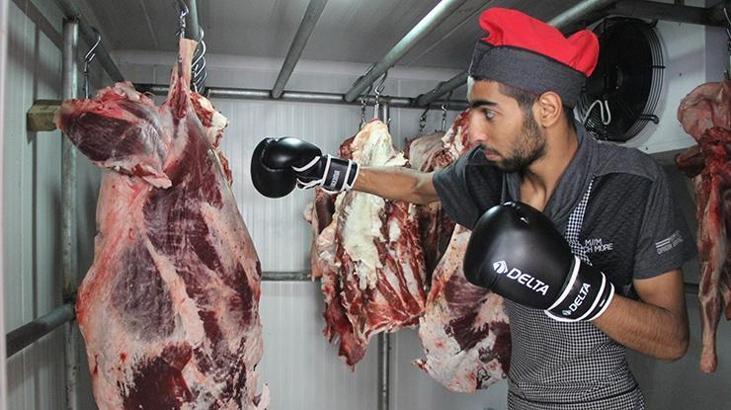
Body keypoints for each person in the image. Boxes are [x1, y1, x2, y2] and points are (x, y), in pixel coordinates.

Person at [251, 7, 694, 409]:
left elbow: (672, 339)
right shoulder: (490, 171)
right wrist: (331, 171)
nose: (475, 132)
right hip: (522, 399)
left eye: (489, 114)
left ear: (546, 109)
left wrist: (576, 291)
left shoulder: (631, 184)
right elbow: (422, 187)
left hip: (604, 401)